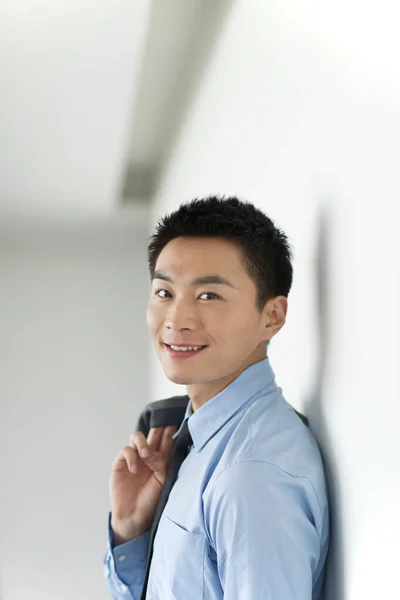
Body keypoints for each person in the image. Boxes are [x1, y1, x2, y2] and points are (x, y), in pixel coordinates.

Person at [104, 196, 330, 599]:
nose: (177, 320)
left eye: (208, 295)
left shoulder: (253, 475)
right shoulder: (195, 440)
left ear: (272, 316)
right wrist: (131, 529)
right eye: (164, 292)